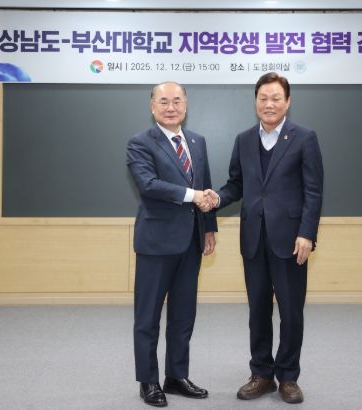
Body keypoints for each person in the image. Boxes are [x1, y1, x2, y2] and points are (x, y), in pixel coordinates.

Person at [207, 72, 323, 404]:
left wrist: (307, 233)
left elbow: (314, 191)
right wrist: (217, 198)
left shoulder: (304, 138)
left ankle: (288, 377)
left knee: (291, 312)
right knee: (257, 310)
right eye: (263, 98)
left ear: (287, 101)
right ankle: (261, 373)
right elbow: (236, 185)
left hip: (291, 241)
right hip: (254, 239)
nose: (269, 104)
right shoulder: (244, 140)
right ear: (256, 101)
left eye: (276, 98)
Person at [126, 81, 217, 407]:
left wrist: (209, 228)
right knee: (147, 317)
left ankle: (176, 376)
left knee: (183, 315)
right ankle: (148, 381)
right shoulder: (140, 143)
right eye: (163, 101)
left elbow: (205, 184)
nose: (171, 107)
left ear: (186, 105)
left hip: (191, 242)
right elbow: (148, 185)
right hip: (156, 243)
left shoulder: (197, 141)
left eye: (177, 101)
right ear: (152, 107)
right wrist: (193, 196)